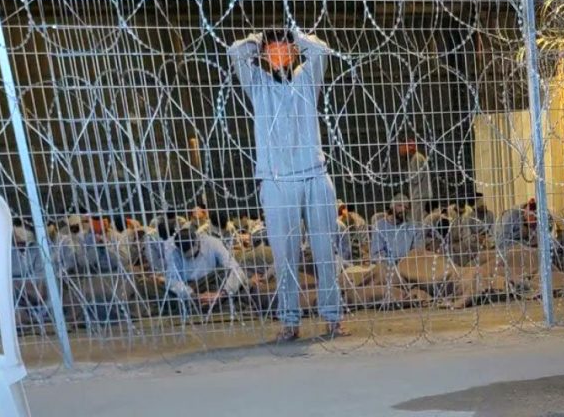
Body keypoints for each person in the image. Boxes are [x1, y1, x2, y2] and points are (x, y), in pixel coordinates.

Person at [229, 27, 345, 340]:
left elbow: (321, 50)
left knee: (325, 252)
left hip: (314, 175)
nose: (279, 52)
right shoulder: (259, 85)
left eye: (284, 47)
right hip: (278, 181)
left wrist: (296, 35)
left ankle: (334, 319)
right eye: (273, 48)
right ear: (265, 55)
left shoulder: (308, 80)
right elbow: (235, 53)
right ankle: (290, 321)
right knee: (285, 257)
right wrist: (257, 41)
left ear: (293, 52)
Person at [164, 228, 249, 309]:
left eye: (194, 254)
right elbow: (171, 280)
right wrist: (194, 296)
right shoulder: (174, 251)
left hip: (212, 283)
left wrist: (222, 294)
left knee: (228, 275)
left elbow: (237, 270)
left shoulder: (213, 243)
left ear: (197, 241)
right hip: (189, 288)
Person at [369, 194, 425, 265]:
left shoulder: (413, 227)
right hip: (386, 268)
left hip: (408, 267)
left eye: (406, 207)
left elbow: (418, 251)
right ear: (392, 206)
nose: (403, 209)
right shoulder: (379, 226)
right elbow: (376, 254)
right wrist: (391, 263)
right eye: (400, 205)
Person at [398, 139, 433, 223]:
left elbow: (415, 178)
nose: (400, 151)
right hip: (422, 195)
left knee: (417, 222)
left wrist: (406, 173)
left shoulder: (416, 158)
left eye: (401, 147)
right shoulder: (418, 157)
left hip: (419, 196)